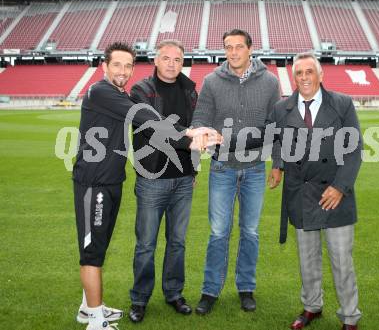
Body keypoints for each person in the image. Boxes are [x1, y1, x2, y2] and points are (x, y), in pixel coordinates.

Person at [72, 41, 208, 330]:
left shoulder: (120, 93)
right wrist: (187, 137)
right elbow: (144, 118)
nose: (122, 70)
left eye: (127, 65)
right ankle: (95, 321)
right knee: (92, 252)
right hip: (93, 184)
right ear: (104, 66)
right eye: (117, 65)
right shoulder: (101, 91)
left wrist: (192, 153)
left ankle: (89, 308)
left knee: (100, 247)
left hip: (112, 181)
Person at [251, 52, 362, 330]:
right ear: (294, 77)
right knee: (307, 259)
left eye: (309, 72)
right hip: (300, 193)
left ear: (320, 75)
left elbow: (354, 150)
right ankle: (312, 306)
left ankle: (350, 317)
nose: (304, 78)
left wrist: (339, 187)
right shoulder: (282, 108)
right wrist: (277, 165)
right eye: (298, 73)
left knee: (341, 260)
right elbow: (276, 139)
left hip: (334, 195)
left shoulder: (342, 104)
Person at [191, 29, 283, 314]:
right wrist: (193, 166)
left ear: (250, 49)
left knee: (251, 232)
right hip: (221, 169)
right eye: (228, 47)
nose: (233, 52)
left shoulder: (269, 82)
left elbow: (277, 126)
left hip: (255, 168)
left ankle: (246, 288)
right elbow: (200, 122)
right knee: (218, 232)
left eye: (238, 47)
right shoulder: (211, 81)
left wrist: (278, 164)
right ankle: (210, 290)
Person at [128, 40, 197, 322]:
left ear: (183, 62)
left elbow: (197, 127)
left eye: (177, 59)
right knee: (146, 243)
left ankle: (173, 294)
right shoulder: (141, 90)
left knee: (177, 242)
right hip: (152, 179)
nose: (172, 63)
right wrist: (190, 137)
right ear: (155, 61)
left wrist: (194, 171)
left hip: (183, 181)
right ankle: (140, 299)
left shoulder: (191, 90)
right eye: (166, 58)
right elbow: (152, 125)